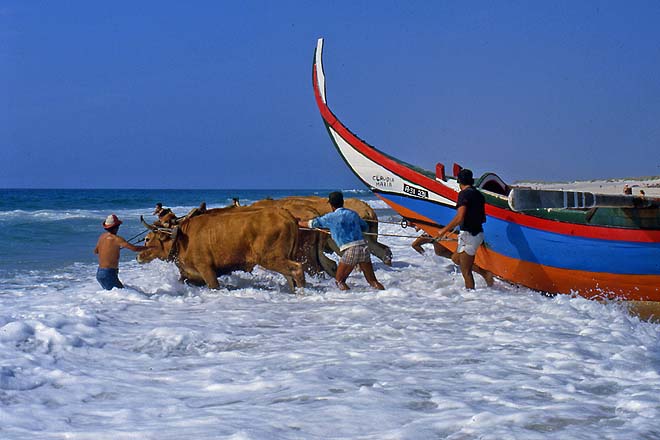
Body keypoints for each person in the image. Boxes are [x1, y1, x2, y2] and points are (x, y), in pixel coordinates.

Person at [298, 191, 384, 291]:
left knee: (339, 281)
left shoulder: (330, 217)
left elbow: (312, 223)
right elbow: (364, 227)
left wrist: (298, 222)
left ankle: (350, 302)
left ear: (331, 204)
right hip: (363, 248)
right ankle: (385, 296)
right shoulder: (353, 214)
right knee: (372, 281)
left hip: (351, 251)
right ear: (342, 202)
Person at [436, 169, 494, 289]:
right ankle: (484, 273)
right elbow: (483, 219)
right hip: (476, 234)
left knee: (466, 272)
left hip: (469, 235)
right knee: (456, 258)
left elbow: (460, 216)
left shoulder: (464, 194)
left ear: (459, 182)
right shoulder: (479, 195)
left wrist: (444, 230)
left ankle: (470, 301)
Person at [94, 214, 148, 290]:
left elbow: (96, 251)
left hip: (100, 273)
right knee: (124, 296)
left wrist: (111, 250)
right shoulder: (117, 239)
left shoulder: (102, 236)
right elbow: (134, 248)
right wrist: (149, 248)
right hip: (109, 273)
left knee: (116, 296)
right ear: (116, 227)